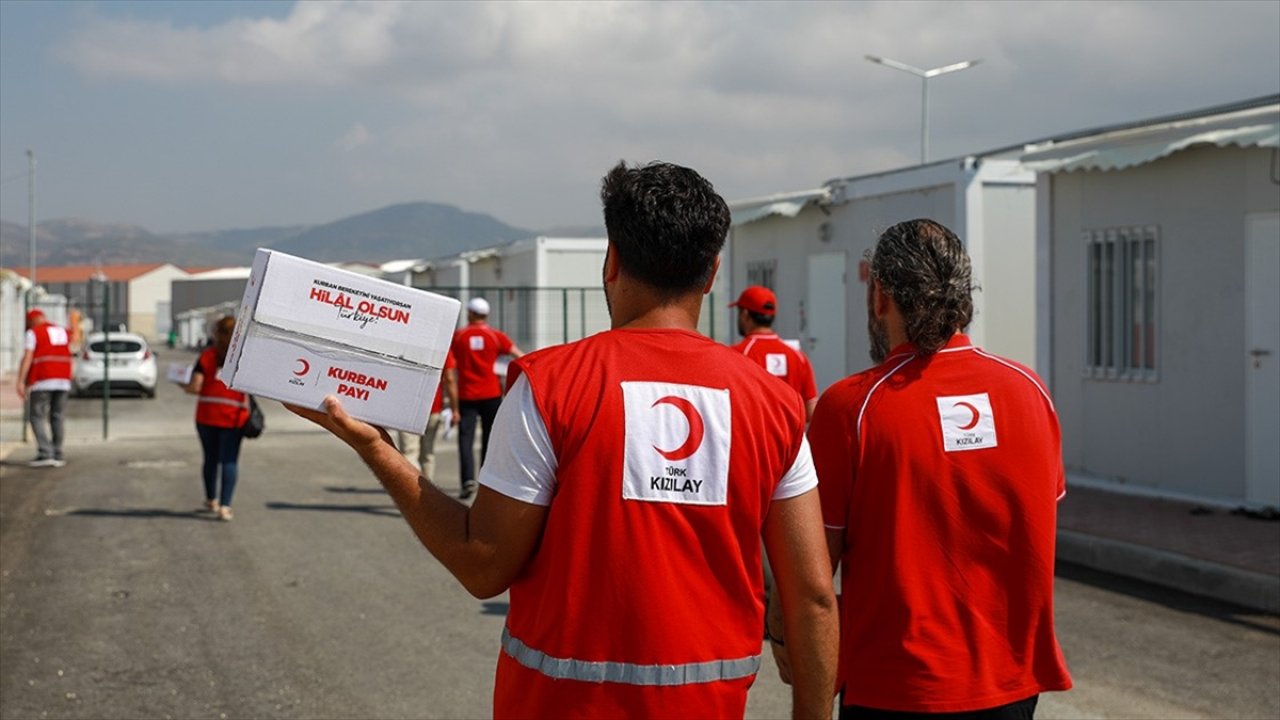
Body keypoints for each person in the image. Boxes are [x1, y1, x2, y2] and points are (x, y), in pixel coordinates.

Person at [287, 160, 838, 719]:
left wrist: (376, 448)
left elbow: (483, 565)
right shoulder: (776, 404)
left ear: (613, 259)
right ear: (713, 270)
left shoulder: (550, 386)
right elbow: (814, 598)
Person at [804, 218, 1072, 718]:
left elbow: (813, 575)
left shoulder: (851, 407)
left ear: (880, 295)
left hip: (895, 687)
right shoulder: (1030, 392)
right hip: (1012, 688)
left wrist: (785, 639)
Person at [450, 296, 524, 500]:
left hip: (466, 394)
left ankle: (467, 480)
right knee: (490, 439)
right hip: (491, 394)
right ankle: (486, 481)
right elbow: (519, 355)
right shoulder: (495, 336)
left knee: (465, 438)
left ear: (470, 314)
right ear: (486, 315)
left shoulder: (458, 336)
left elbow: (449, 366)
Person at [183, 315, 249, 522]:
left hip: (206, 416)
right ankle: (225, 507)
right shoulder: (243, 356)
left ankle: (211, 499)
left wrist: (181, 384)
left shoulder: (207, 357)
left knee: (210, 459)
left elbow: (195, 387)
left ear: (216, 333)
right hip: (234, 417)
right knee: (229, 460)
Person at [730, 285, 819, 420]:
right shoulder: (798, 356)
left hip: (754, 439)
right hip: (790, 439)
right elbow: (811, 409)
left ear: (745, 315)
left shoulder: (737, 355)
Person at [16, 309, 73, 467]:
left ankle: (45, 452)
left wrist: (21, 381)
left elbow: (28, 357)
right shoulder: (62, 331)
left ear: (31, 321)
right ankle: (58, 453)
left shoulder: (34, 333)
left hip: (43, 379)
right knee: (57, 416)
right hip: (63, 380)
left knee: (36, 416)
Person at [396, 350, 459, 482]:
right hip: (432, 406)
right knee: (428, 453)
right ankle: (427, 490)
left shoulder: (406, 346)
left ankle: (412, 487)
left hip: (407, 406)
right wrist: (454, 409)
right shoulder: (443, 349)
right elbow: (450, 379)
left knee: (409, 453)